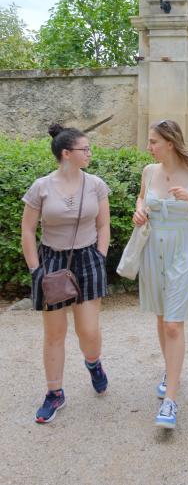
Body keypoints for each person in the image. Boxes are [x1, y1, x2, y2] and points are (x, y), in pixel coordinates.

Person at [21, 124, 111, 423]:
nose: (90, 153)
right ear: (66, 153)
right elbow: (28, 229)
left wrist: (100, 254)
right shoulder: (41, 187)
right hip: (51, 263)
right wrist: (35, 269)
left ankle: (93, 362)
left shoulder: (96, 184)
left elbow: (103, 225)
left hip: (87, 258)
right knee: (54, 333)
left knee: (88, 330)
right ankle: (54, 393)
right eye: (85, 149)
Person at [133, 119, 188, 429]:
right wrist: (139, 210)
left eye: (153, 141)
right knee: (160, 316)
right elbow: (142, 199)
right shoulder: (149, 172)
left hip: (182, 248)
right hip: (153, 247)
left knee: (172, 323)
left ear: (169, 142)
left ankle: (171, 400)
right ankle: (170, 369)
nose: (149, 146)